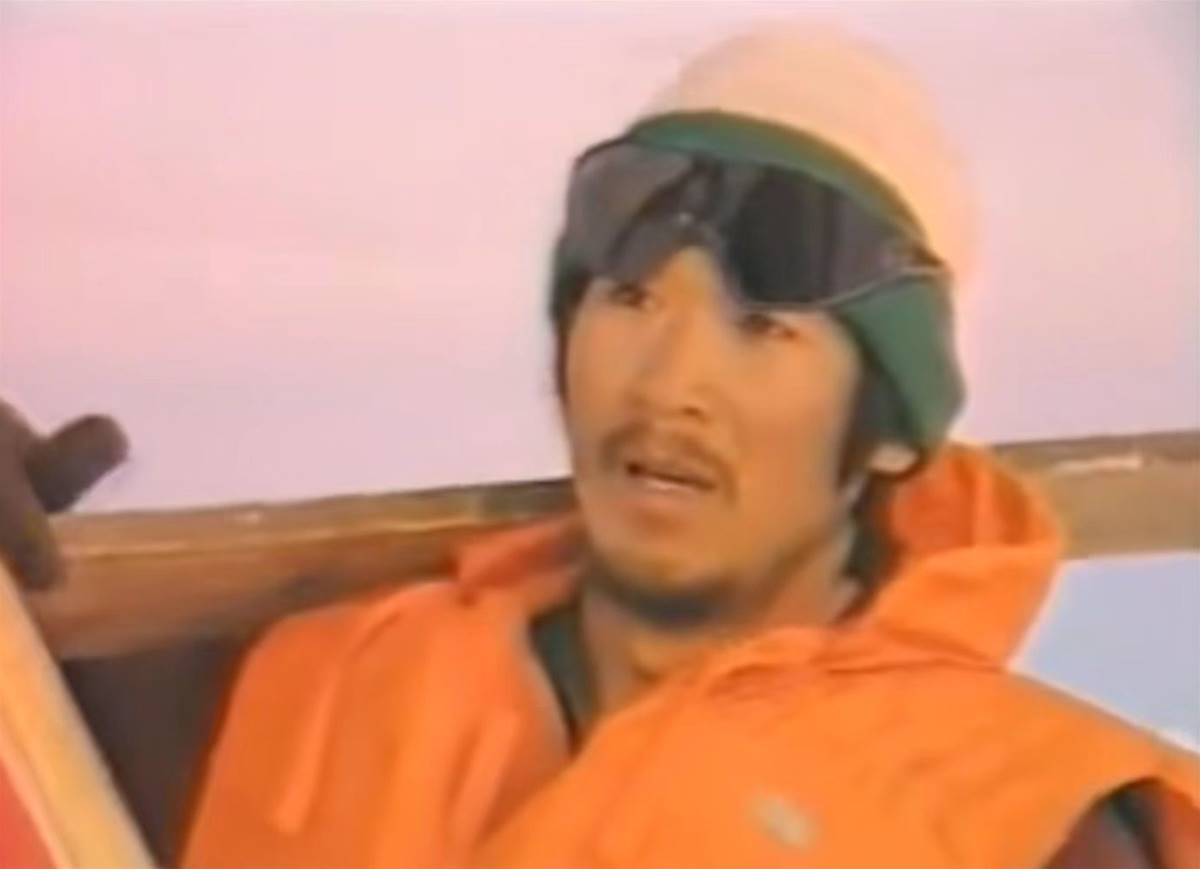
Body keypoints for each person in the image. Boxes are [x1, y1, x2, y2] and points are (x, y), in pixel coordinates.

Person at [5, 23, 1198, 869]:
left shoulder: (1029, 820)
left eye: (763, 328)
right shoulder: (311, 688)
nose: (668, 384)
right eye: (629, 299)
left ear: (888, 432)